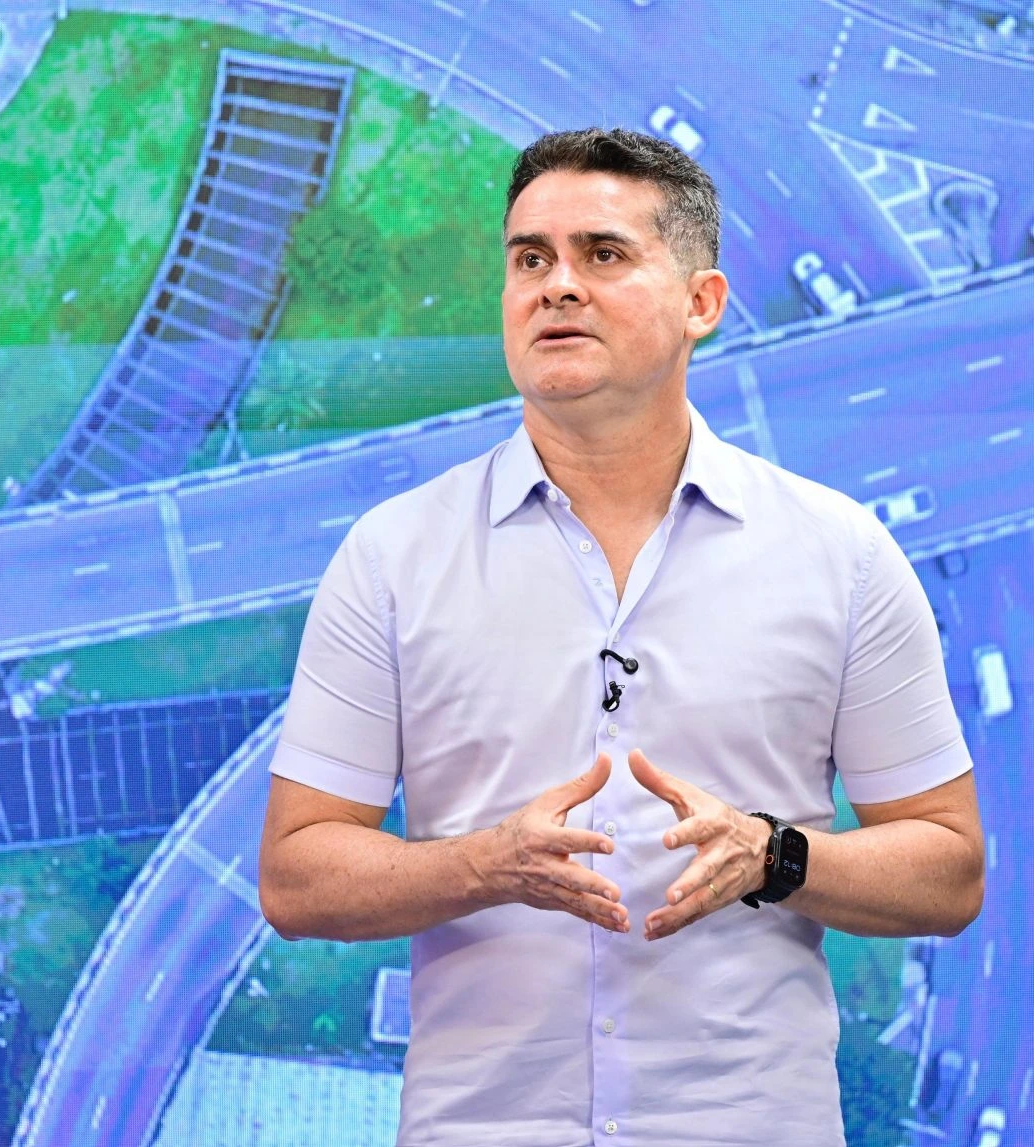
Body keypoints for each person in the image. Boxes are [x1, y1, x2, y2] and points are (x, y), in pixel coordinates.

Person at [258, 127, 985, 1146]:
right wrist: (486, 866)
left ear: (702, 303)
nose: (557, 286)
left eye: (602, 254)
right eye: (530, 259)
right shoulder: (393, 556)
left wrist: (775, 857)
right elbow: (295, 875)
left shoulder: (841, 555)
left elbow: (950, 868)